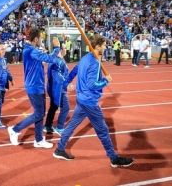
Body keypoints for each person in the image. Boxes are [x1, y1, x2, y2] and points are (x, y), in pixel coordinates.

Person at [53, 34, 134, 168]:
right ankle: (113, 158)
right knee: (103, 130)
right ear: (97, 46)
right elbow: (92, 85)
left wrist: (67, 82)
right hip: (89, 102)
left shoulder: (85, 58)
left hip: (81, 99)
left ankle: (59, 149)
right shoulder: (95, 63)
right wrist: (105, 80)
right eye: (103, 45)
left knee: (72, 125)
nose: (105, 47)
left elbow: (74, 71)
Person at [7, 28, 61, 148]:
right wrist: (57, 47)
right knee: (39, 113)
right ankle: (15, 129)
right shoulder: (31, 50)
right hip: (34, 86)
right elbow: (51, 58)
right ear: (36, 39)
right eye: (41, 38)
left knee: (40, 113)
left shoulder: (31, 50)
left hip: (38, 86)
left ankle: (38, 139)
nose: (42, 40)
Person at [44, 42, 77, 135]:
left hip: (56, 88)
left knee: (53, 106)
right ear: (60, 50)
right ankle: (60, 127)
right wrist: (67, 84)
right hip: (58, 88)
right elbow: (57, 75)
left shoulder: (60, 59)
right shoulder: (57, 61)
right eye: (65, 48)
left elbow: (65, 74)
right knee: (66, 107)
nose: (66, 50)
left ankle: (48, 125)